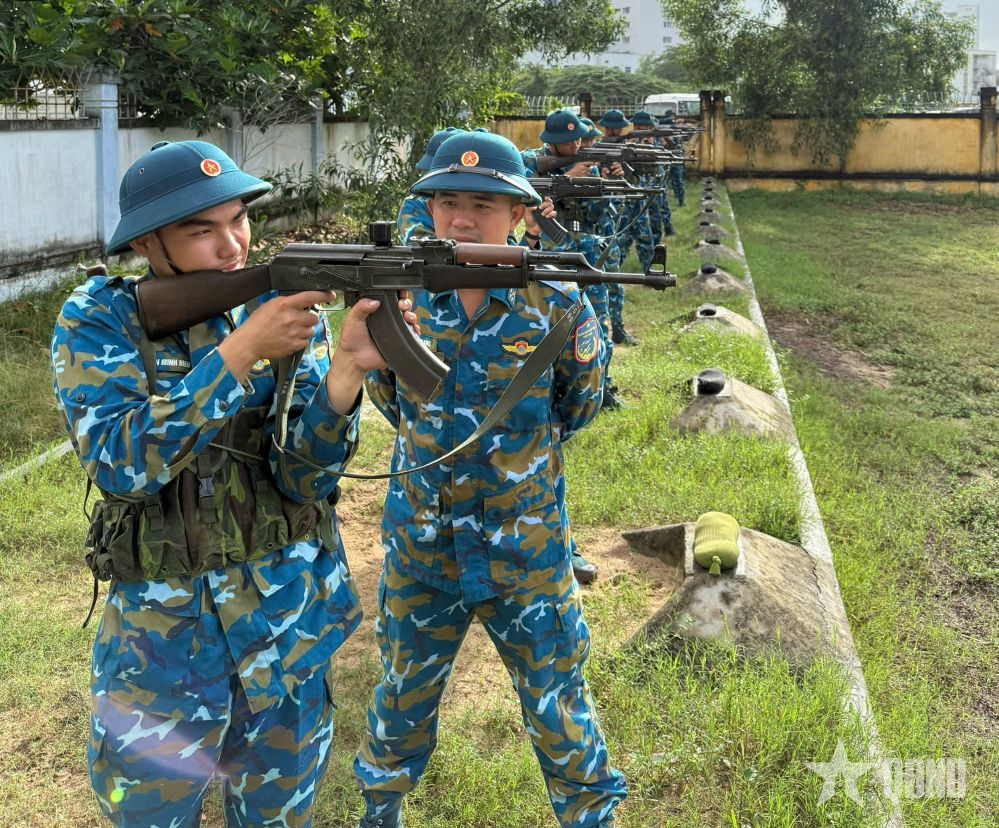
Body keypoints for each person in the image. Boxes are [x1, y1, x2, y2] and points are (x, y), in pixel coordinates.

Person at [51, 139, 415, 827]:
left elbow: (304, 478)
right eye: (200, 229)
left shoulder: (276, 306)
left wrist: (343, 377)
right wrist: (241, 352)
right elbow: (121, 462)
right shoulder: (102, 320)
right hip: (167, 645)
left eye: (238, 220)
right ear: (149, 242)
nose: (231, 245)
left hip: (287, 625)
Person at [354, 131, 627, 828]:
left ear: (522, 215)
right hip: (423, 551)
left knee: (556, 701)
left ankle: (591, 814)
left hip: (526, 554)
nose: (462, 219)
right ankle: (380, 809)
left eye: (484, 203)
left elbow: (579, 403)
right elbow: (392, 399)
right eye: (447, 201)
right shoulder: (400, 296)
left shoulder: (559, 302)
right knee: (400, 700)